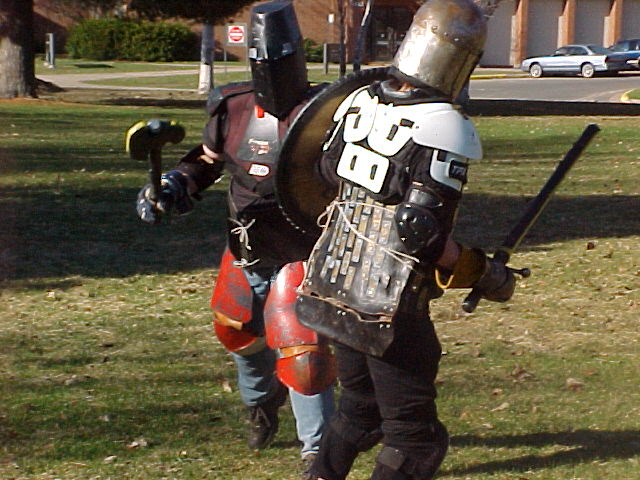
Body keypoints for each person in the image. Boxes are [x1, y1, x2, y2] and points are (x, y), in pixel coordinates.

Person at [289, 0, 517, 479]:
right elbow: (420, 231)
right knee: (414, 442)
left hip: (334, 284)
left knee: (360, 411)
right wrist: (485, 274)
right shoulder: (443, 124)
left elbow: (326, 173)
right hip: (388, 307)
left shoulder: (360, 100)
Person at [135, 2, 334, 477]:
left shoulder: (330, 112)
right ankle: (261, 403)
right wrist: (173, 185)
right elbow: (206, 160)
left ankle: (318, 451)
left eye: (278, 60)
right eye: (262, 61)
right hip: (246, 249)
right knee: (239, 334)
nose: (270, 70)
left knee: (302, 352)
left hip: (303, 252)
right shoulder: (235, 107)